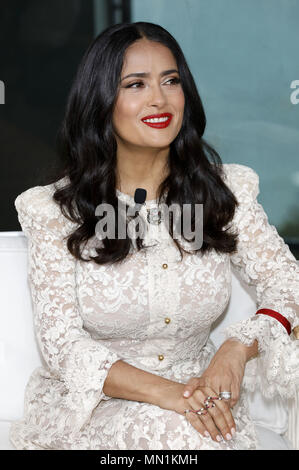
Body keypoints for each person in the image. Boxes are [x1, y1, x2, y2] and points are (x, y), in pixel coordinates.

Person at [10, 21, 299, 450]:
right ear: (101, 101)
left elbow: (288, 282)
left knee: (191, 431)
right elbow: (62, 346)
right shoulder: (55, 211)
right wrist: (171, 396)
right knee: (181, 430)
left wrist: (235, 350)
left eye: (170, 80)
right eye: (136, 84)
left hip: (203, 400)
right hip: (96, 409)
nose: (159, 99)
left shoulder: (224, 193)